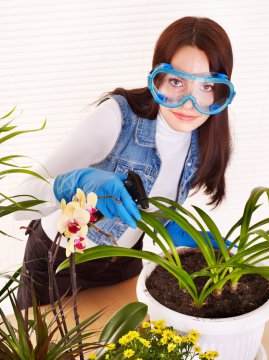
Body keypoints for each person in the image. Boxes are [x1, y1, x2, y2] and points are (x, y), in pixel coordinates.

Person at [15, 16, 235, 308]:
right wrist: (73, 185)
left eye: (206, 87)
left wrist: (165, 226)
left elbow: (147, 207)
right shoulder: (117, 118)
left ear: (221, 91)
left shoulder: (203, 138)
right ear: (157, 78)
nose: (187, 103)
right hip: (57, 264)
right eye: (176, 81)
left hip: (125, 263)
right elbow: (17, 201)